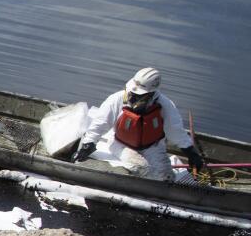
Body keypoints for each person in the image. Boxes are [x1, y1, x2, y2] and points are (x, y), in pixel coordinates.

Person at [72, 67, 205, 181]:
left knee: (167, 177)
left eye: (141, 95)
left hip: (153, 147)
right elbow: (100, 122)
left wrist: (191, 152)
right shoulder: (117, 99)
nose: (135, 96)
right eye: (134, 93)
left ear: (152, 93)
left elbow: (175, 131)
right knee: (140, 167)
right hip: (121, 144)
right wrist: (88, 143)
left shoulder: (165, 105)